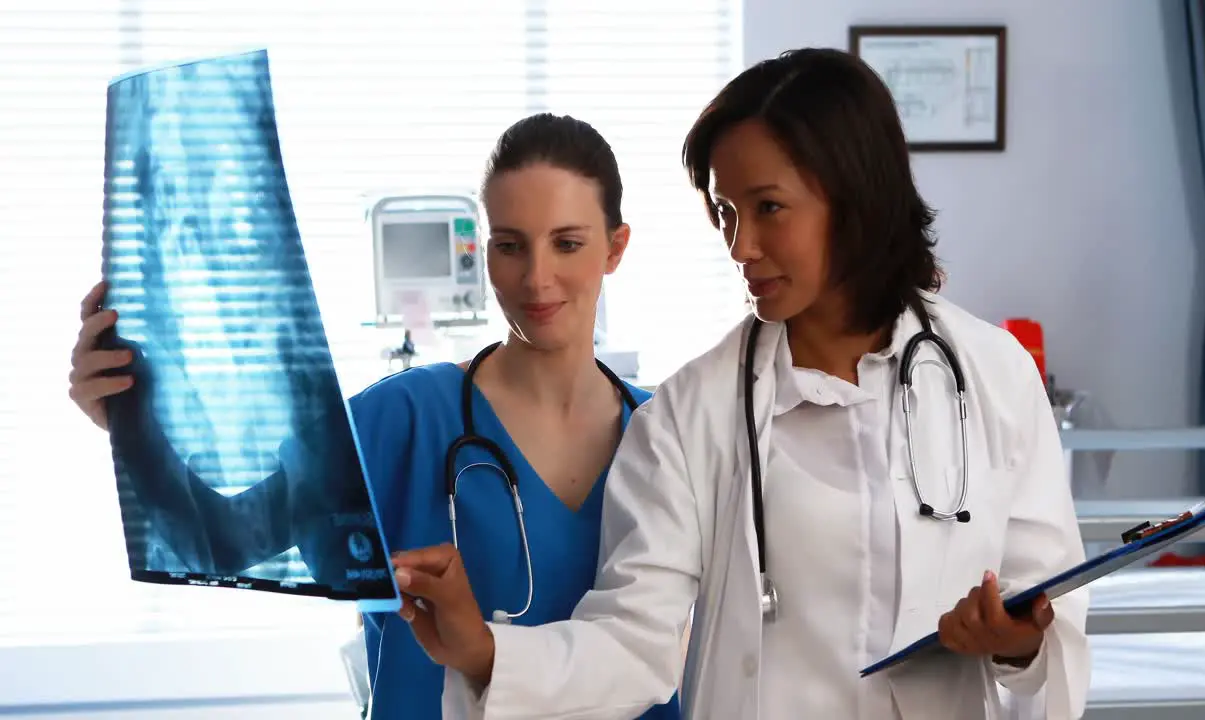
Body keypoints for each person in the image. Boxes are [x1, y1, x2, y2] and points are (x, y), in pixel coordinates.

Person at [391, 48, 1091, 719]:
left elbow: (1049, 609)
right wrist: (486, 654)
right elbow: (635, 644)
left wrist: (1019, 642)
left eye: (768, 208)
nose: (740, 246)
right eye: (726, 213)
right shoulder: (690, 415)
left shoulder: (992, 373)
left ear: (854, 196)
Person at [66, 112, 681, 720]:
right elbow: (226, 538)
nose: (536, 278)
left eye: (567, 243)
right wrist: (131, 424)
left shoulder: (667, 437)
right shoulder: (406, 416)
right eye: (510, 245)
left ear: (615, 248)